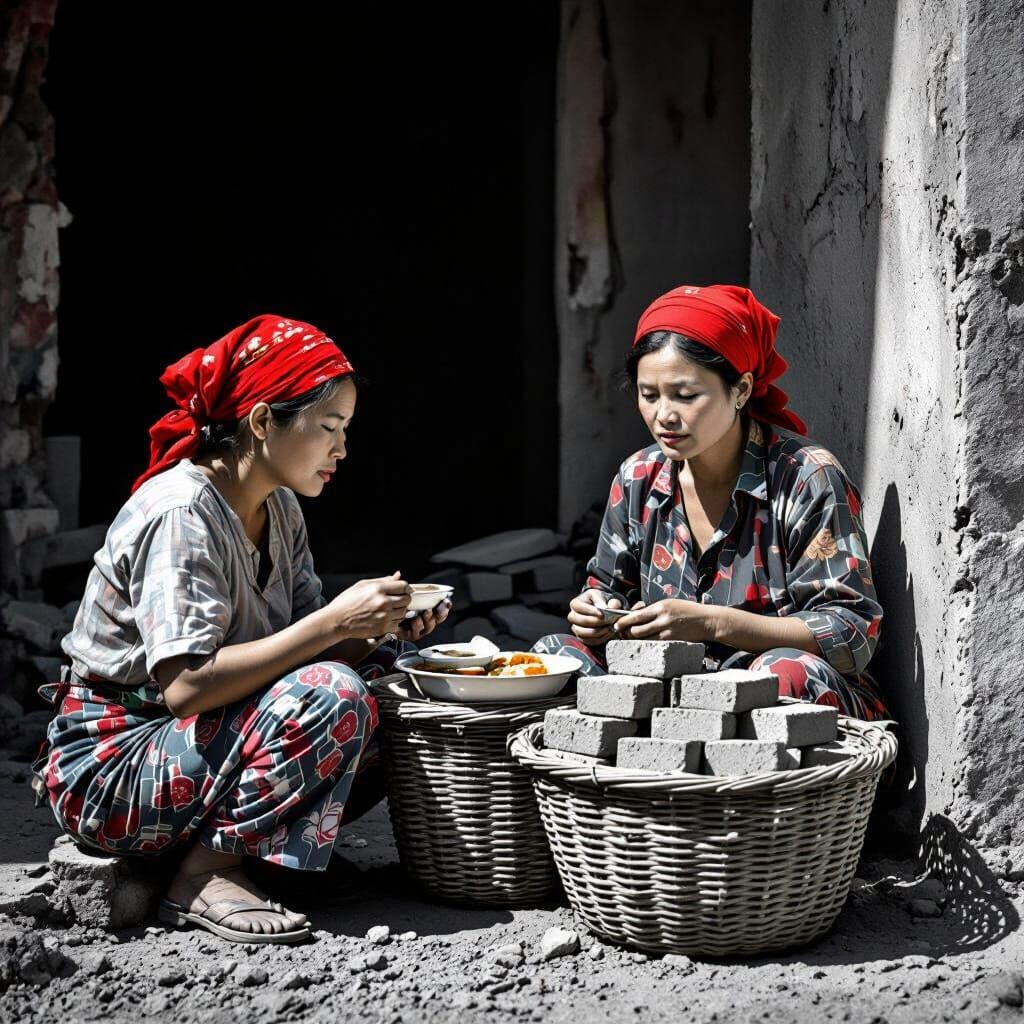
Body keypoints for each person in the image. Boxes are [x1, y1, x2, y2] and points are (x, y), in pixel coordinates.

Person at [34, 315, 449, 944]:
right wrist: (336, 621)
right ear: (261, 422)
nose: (342, 449)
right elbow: (188, 688)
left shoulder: (278, 507)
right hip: (114, 765)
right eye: (330, 428)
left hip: (199, 743)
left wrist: (382, 628)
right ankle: (206, 872)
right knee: (332, 694)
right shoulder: (180, 515)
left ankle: (250, 851)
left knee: (394, 684)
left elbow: (316, 646)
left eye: (346, 430)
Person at [535, 285, 887, 720]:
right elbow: (610, 592)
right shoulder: (637, 479)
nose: (664, 415)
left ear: (740, 389)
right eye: (649, 395)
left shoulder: (805, 477)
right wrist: (597, 614)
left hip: (785, 710)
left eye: (686, 396)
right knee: (552, 657)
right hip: (666, 701)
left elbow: (851, 632)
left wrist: (713, 623)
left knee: (787, 672)